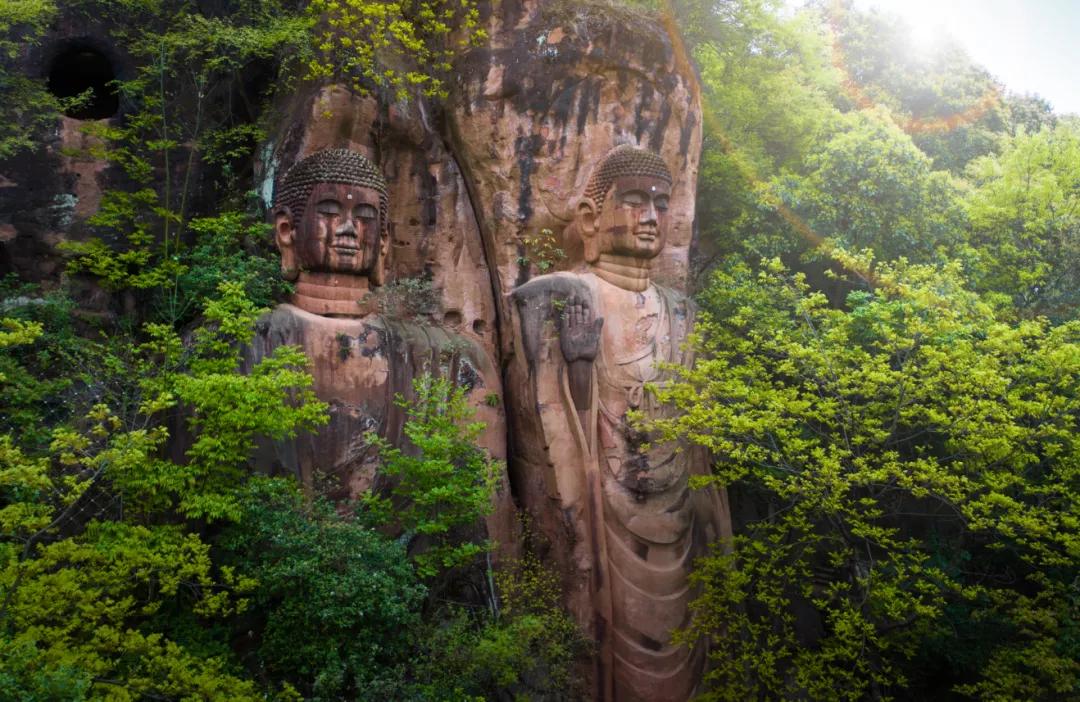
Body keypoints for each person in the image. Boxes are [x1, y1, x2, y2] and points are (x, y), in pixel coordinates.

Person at [511, 145, 731, 701]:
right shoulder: (556, 296)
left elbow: (699, 439)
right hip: (605, 509)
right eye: (634, 202)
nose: (651, 216)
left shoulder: (684, 314)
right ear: (591, 218)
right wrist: (580, 367)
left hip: (676, 508)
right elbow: (547, 423)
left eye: (661, 203)